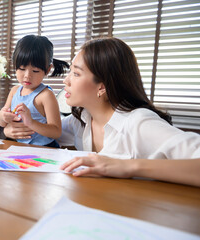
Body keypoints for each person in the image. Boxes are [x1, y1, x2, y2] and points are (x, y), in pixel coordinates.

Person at [56, 37, 200, 187]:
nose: (66, 80)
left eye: (76, 74)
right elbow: (47, 132)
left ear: (102, 87)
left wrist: (127, 167)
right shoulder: (81, 119)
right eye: (70, 71)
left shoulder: (139, 122)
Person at [0, 35, 69, 148]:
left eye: (35, 71)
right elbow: (2, 123)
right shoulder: (14, 91)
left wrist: (31, 122)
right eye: (21, 69)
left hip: (45, 148)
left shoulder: (46, 95)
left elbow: (56, 132)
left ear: (48, 69)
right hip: (20, 147)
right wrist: (2, 116)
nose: (27, 76)